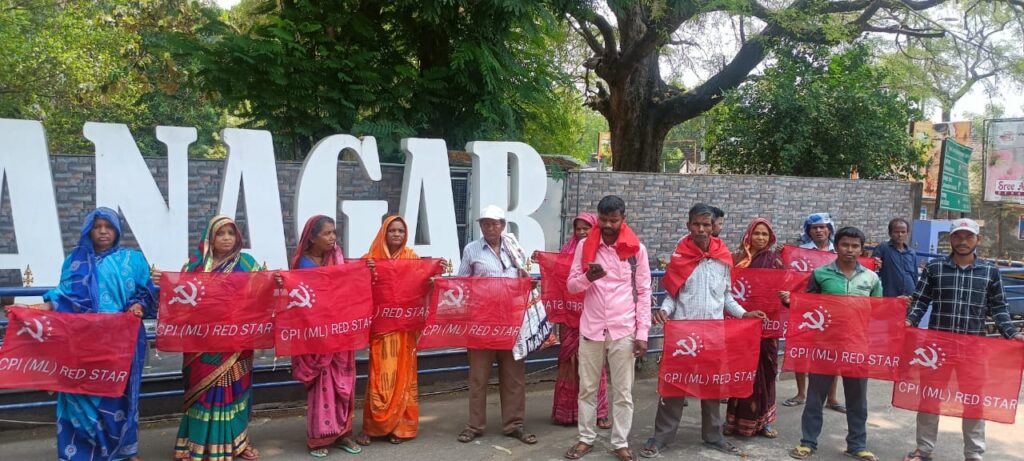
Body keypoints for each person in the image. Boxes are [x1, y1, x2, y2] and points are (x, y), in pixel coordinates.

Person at [637, 204, 765, 459]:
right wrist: (664, 311)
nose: (701, 229)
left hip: (714, 335)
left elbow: (726, 297)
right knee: (673, 387)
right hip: (683, 336)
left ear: (713, 226)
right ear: (689, 226)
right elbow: (673, 296)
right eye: (696, 224)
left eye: (706, 224)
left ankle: (714, 435)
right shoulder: (680, 257)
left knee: (712, 387)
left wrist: (744, 314)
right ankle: (661, 437)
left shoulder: (723, 257)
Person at [38, 207, 156, 461]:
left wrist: (138, 305)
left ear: (117, 231)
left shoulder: (133, 260)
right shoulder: (75, 262)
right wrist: (36, 308)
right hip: (83, 341)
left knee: (120, 396)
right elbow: (64, 297)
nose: (103, 232)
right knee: (81, 394)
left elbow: (146, 292)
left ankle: (125, 450)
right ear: (88, 231)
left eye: (108, 227)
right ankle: (81, 453)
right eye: (97, 227)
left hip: (121, 342)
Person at [903, 219, 1024, 461]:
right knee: (930, 398)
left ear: (978, 240)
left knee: (973, 401)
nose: (963, 241)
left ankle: (974, 454)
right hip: (937, 349)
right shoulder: (935, 268)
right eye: (958, 236)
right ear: (950, 239)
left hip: (973, 348)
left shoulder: (989, 272)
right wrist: (909, 322)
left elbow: (999, 308)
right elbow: (920, 300)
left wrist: (1012, 333)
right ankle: (923, 450)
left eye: (969, 237)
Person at [161, 215, 261, 460]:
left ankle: (238, 443)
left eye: (231, 233)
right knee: (203, 394)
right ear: (210, 238)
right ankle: (196, 446)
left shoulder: (247, 264)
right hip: (202, 346)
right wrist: (163, 283)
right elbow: (180, 301)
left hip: (235, 344)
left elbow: (261, 295)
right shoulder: (193, 267)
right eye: (220, 233)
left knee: (235, 392)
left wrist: (277, 281)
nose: (227, 238)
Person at [563, 195, 651, 461]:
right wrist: (587, 278)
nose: (608, 225)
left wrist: (642, 334)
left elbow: (644, 292)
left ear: (623, 219)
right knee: (587, 389)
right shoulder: (585, 246)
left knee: (623, 392)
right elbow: (571, 286)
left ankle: (620, 442)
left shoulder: (636, 250)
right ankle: (585, 438)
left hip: (623, 329)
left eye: (614, 220)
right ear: (598, 219)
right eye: (603, 220)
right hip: (591, 329)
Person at [784, 227, 881, 461]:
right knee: (815, 397)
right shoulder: (820, 274)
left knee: (857, 399)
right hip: (824, 345)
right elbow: (808, 307)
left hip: (857, 345)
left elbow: (878, 310)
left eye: (855, 246)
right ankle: (808, 442)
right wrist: (791, 302)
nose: (850, 250)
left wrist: (898, 306)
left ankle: (857, 445)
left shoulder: (871, 278)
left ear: (862, 249)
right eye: (845, 244)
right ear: (836, 246)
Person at [455, 205, 537, 446]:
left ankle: (514, 424)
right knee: (478, 376)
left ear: (503, 225)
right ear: (480, 226)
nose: (490, 227)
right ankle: (474, 425)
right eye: (486, 223)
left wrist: (528, 284)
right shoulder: (471, 249)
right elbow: (462, 283)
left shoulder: (514, 248)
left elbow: (524, 276)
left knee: (514, 376)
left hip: (511, 320)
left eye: (495, 223)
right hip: (481, 322)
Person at [290, 215, 362, 458]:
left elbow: (350, 287)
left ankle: (343, 433)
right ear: (312, 237)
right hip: (317, 335)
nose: (332, 238)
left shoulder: (339, 259)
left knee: (344, 384)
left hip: (340, 333)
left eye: (334, 233)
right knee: (322, 385)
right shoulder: (301, 264)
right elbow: (297, 300)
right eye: (326, 233)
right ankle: (319, 436)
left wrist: (366, 271)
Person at [356, 216, 421, 445]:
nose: (397, 234)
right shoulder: (370, 259)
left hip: (404, 330)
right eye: (392, 230)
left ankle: (401, 427)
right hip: (381, 329)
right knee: (379, 376)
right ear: (384, 232)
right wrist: (365, 272)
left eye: (401, 231)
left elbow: (421, 285)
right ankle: (374, 427)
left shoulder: (412, 258)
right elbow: (356, 286)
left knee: (404, 375)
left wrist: (433, 277)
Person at [550, 212, 611, 428]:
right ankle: (567, 413)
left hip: (594, 318)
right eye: (578, 228)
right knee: (570, 363)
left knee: (594, 366)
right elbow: (559, 283)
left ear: (595, 228)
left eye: (586, 228)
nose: (582, 232)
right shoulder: (566, 254)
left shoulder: (602, 252)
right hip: (570, 319)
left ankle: (599, 413)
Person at [724, 218, 782, 439]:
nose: (760, 238)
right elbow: (727, 290)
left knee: (765, 373)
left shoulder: (775, 261)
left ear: (770, 238)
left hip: (767, 326)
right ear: (749, 235)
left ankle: (764, 422)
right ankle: (734, 421)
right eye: (757, 233)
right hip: (742, 325)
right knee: (742, 372)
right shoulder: (736, 259)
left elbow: (783, 288)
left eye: (765, 234)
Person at [784, 213, 844, 413]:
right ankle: (801, 393)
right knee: (802, 351)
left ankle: (832, 398)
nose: (818, 231)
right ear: (808, 231)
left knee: (832, 354)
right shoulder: (800, 252)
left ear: (829, 229)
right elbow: (789, 276)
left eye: (822, 227)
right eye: (814, 228)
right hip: (805, 308)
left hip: (833, 309)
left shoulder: (839, 251)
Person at [872, 218, 919, 297]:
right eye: (896, 232)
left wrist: (916, 293)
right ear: (890, 233)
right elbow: (873, 270)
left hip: (909, 295)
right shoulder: (883, 248)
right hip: (890, 295)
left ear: (907, 234)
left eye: (903, 232)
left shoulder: (911, 252)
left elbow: (915, 275)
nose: (900, 235)